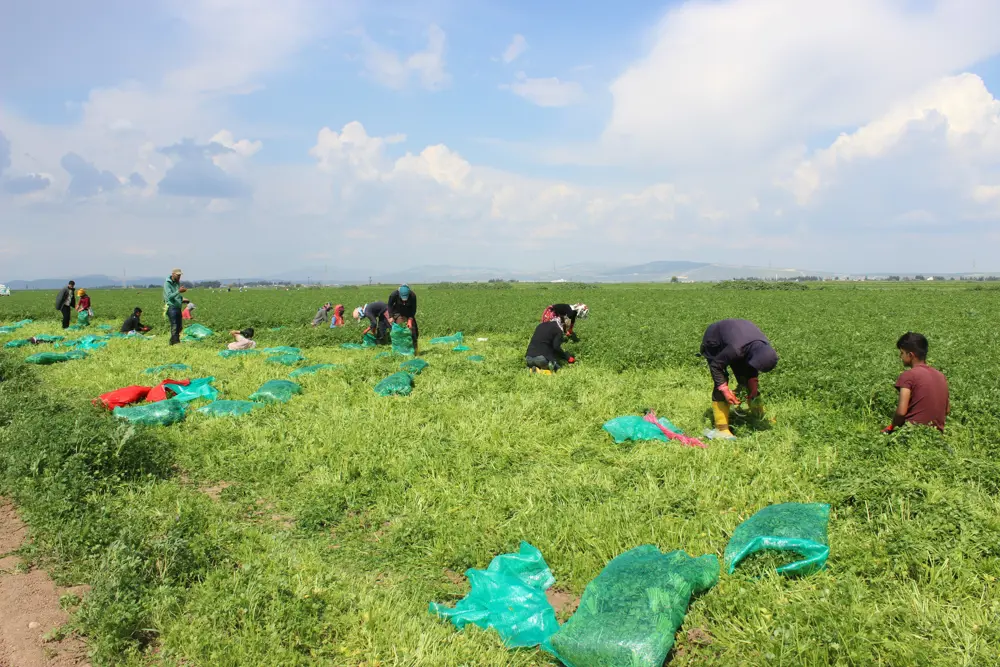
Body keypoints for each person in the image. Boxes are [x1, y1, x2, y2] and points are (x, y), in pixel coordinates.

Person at [700, 319, 779, 439]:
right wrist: (725, 389)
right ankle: (721, 429)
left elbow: (752, 366)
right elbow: (716, 366)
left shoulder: (762, 347)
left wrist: (753, 385)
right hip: (715, 339)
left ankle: (758, 417)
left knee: (746, 378)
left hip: (737, 338)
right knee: (721, 381)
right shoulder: (736, 349)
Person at [884, 332, 949, 433]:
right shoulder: (941, 376)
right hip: (936, 435)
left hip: (912, 433)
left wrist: (892, 428)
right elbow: (947, 410)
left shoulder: (908, 376)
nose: (900, 357)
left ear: (910, 355)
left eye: (902, 353)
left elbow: (901, 412)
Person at [388, 284, 419, 353]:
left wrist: (410, 320)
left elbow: (413, 309)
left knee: (413, 330)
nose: (404, 302)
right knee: (400, 329)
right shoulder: (394, 295)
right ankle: (401, 350)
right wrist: (390, 317)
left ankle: (414, 350)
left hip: (409, 312)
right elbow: (389, 305)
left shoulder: (413, 295)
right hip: (398, 312)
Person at [163, 268, 187, 345]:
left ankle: (172, 341)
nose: (179, 277)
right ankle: (176, 342)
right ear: (173, 274)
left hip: (177, 307)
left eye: (180, 275)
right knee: (175, 325)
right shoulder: (167, 283)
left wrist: (182, 299)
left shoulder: (177, 283)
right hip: (171, 307)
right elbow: (169, 296)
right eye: (178, 275)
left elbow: (177, 295)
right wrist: (179, 291)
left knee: (179, 326)